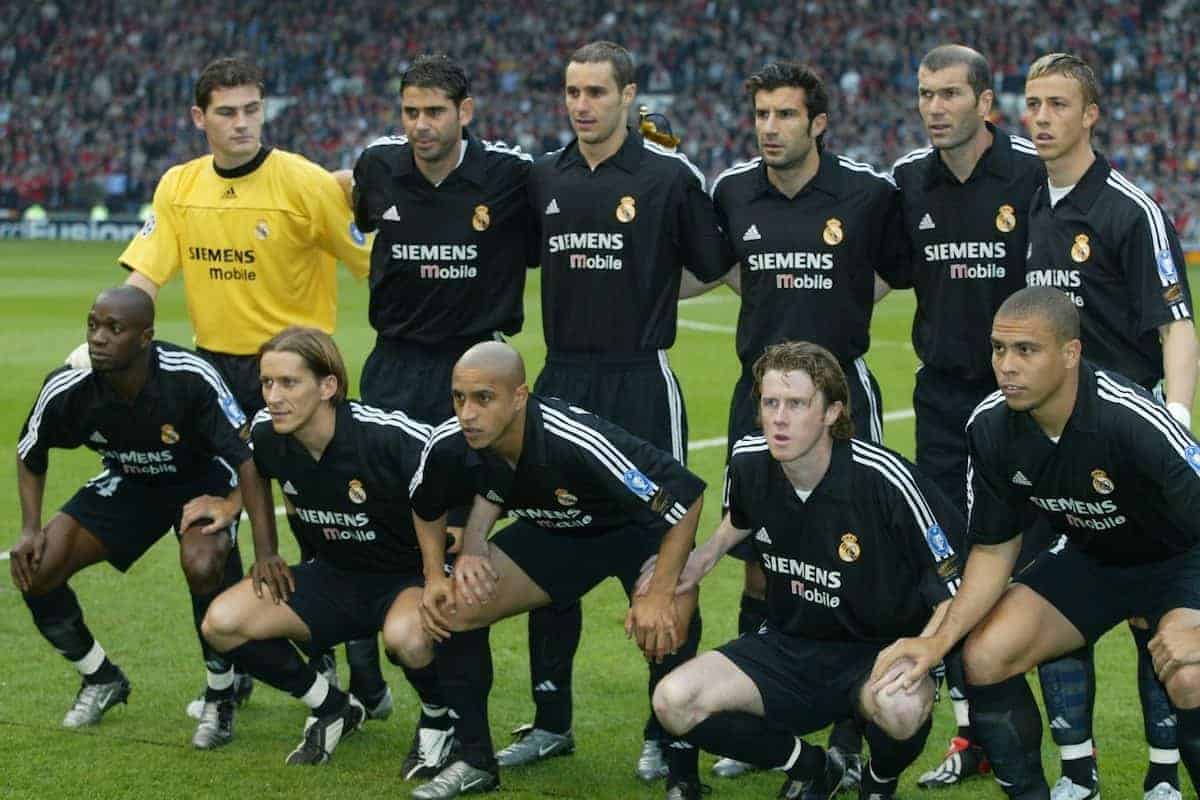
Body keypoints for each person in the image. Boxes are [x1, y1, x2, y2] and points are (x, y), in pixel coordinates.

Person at [103, 55, 383, 715]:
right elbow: (145, 277)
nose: (242, 123)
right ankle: (230, 669)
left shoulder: (306, 184)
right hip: (215, 378)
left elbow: (373, 265)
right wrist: (107, 334)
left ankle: (367, 684)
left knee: (332, 532)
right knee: (208, 530)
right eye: (226, 112)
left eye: (252, 110)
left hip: (296, 376)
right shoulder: (179, 185)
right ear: (199, 118)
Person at [870, 286, 1200, 800]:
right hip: (1093, 558)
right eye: (999, 349)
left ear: (1070, 354)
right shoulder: (991, 426)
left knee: (1190, 675)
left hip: (1181, 564)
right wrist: (935, 642)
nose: (1007, 366)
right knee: (983, 656)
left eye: (1027, 350)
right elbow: (993, 550)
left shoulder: (1131, 419)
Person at [513, 40, 734, 780]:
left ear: (629, 96)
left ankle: (663, 727)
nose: (582, 105)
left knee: (659, 558)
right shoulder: (545, 176)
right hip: (561, 381)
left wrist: (652, 289)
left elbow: (715, 266)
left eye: (597, 93)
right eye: (572, 92)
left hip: (639, 380)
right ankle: (550, 721)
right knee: (551, 539)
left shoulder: (670, 177)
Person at [691, 60, 907, 783]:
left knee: (855, 561)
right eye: (761, 116)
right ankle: (768, 719)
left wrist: (842, 312)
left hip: (842, 397)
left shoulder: (869, 194)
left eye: (785, 115)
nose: (770, 129)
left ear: (817, 123)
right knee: (760, 559)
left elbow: (895, 272)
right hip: (761, 400)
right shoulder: (733, 191)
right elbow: (722, 267)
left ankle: (850, 729)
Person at [651, 340, 963, 800]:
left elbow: (954, 584)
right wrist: (697, 563)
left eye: (796, 404)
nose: (779, 417)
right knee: (674, 702)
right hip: (788, 645)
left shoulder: (884, 480)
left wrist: (926, 649)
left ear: (832, 412)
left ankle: (878, 783)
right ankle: (814, 768)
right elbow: (740, 518)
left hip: (877, 651)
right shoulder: (749, 459)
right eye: (770, 402)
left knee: (899, 709)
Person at [407, 341, 707, 799]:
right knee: (452, 608)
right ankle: (474, 760)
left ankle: (679, 767)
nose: (468, 412)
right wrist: (435, 575)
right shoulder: (449, 443)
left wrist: (662, 591)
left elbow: (684, 500)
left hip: (634, 534)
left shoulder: (576, 440)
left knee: (669, 623)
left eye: (483, 398)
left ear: (519, 397)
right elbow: (425, 506)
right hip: (557, 535)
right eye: (459, 397)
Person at [1020, 53, 1197, 800]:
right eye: (1032, 103)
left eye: (1057, 104)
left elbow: (1177, 326)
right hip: (1052, 445)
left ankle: (1160, 775)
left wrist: (1178, 424)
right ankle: (1079, 771)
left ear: (1090, 115)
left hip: (1131, 443)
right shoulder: (1033, 203)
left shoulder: (1129, 207)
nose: (1041, 117)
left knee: (1148, 612)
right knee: (1057, 598)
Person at [10, 286, 274, 749]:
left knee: (202, 562)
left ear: (146, 337)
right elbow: (30, 451)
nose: (99, 338)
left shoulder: (189, 377)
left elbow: (248, 456)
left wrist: (263, 548)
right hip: (130, 479)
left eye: (115, 328)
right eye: (93, 325)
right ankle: (100, 678)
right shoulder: (70, 385)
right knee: (37, 570)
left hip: (200, 482)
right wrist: (31, 528)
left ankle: (221, 694)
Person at [888, 44, 1047, 789]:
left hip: (1022, 405)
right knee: (947, 568)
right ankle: (967, 736)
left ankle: (1063, 750)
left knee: (1034, 576)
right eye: (925, 95)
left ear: (987, 104)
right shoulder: (907, 183)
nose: (934, 107)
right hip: (944, 405)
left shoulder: (1029, 176)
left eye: (950, 93)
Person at [201, 327, 451, 771]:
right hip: (334, 576)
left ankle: (438, 717)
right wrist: (265, 550)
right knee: (221, 624)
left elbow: (454, 464)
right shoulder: (269, 431)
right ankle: (331, 705)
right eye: (266, 383)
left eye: (289, 383)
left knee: (406, 640)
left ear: (328, 386)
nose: (273, 396)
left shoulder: (386, 435)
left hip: (404, 579)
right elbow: (252, 468)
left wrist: (448, 564)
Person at [352, 53, 534, 423]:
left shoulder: (510, 173)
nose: (420, 125)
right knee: (387, 479)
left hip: (477, 362)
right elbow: (351, 199)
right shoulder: (378, 165)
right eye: (411, 112)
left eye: (434, 112)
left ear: (464, 112)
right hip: (394, 364)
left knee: (481, 480)